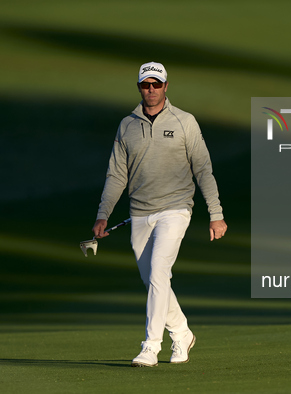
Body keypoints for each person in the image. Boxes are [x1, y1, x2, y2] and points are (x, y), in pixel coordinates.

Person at [91, 62, 227, 367]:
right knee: (153, 279)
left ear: (166, 86)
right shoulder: (127, 125)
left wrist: (215, 214)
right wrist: (103, 214)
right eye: (145, 85)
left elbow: (203, 169)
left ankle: (151, 346)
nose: (150, 90)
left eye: (156, 84)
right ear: (139, 87)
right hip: (140, 213)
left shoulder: (184, 121)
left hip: (176, 209)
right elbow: (116, 175)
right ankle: (182, 333)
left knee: (158, 273)